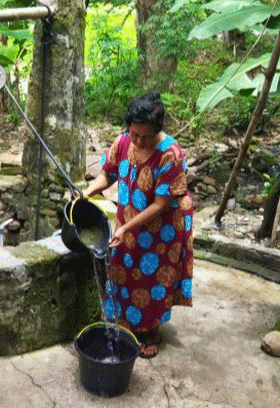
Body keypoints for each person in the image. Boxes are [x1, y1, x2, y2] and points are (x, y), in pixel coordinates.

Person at [82, 92, 194, 359]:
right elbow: (107, 174)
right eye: (135, 134)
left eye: (146, 136)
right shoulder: (122, 142)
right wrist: (86, 192)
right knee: (122, 268)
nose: (140, 141)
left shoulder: (170, 155)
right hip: (129, 219)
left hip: (162, 229)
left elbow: (161, 203)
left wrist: (125, 228)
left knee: (152, 275)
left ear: (159, 130)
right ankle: (125, 322)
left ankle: (152, 331)